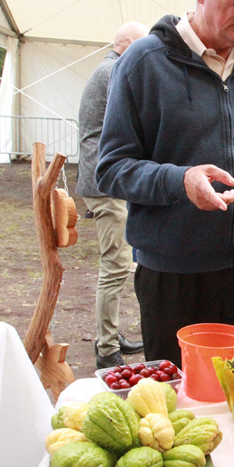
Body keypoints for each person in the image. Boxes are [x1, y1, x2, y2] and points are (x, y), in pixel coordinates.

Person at [96, 0, 234, 368]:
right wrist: (179, 181)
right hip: (174, 276)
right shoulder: (143, 63)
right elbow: (109, 168)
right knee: (183, 406)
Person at [76, 21, 148, 369]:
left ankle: (111, 333)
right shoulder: (113, 72)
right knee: (117, 265)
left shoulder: (106, 69)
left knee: (118, 261)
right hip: (106, 184)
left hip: (103, 181)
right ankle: (106, 348)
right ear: (128, 45)